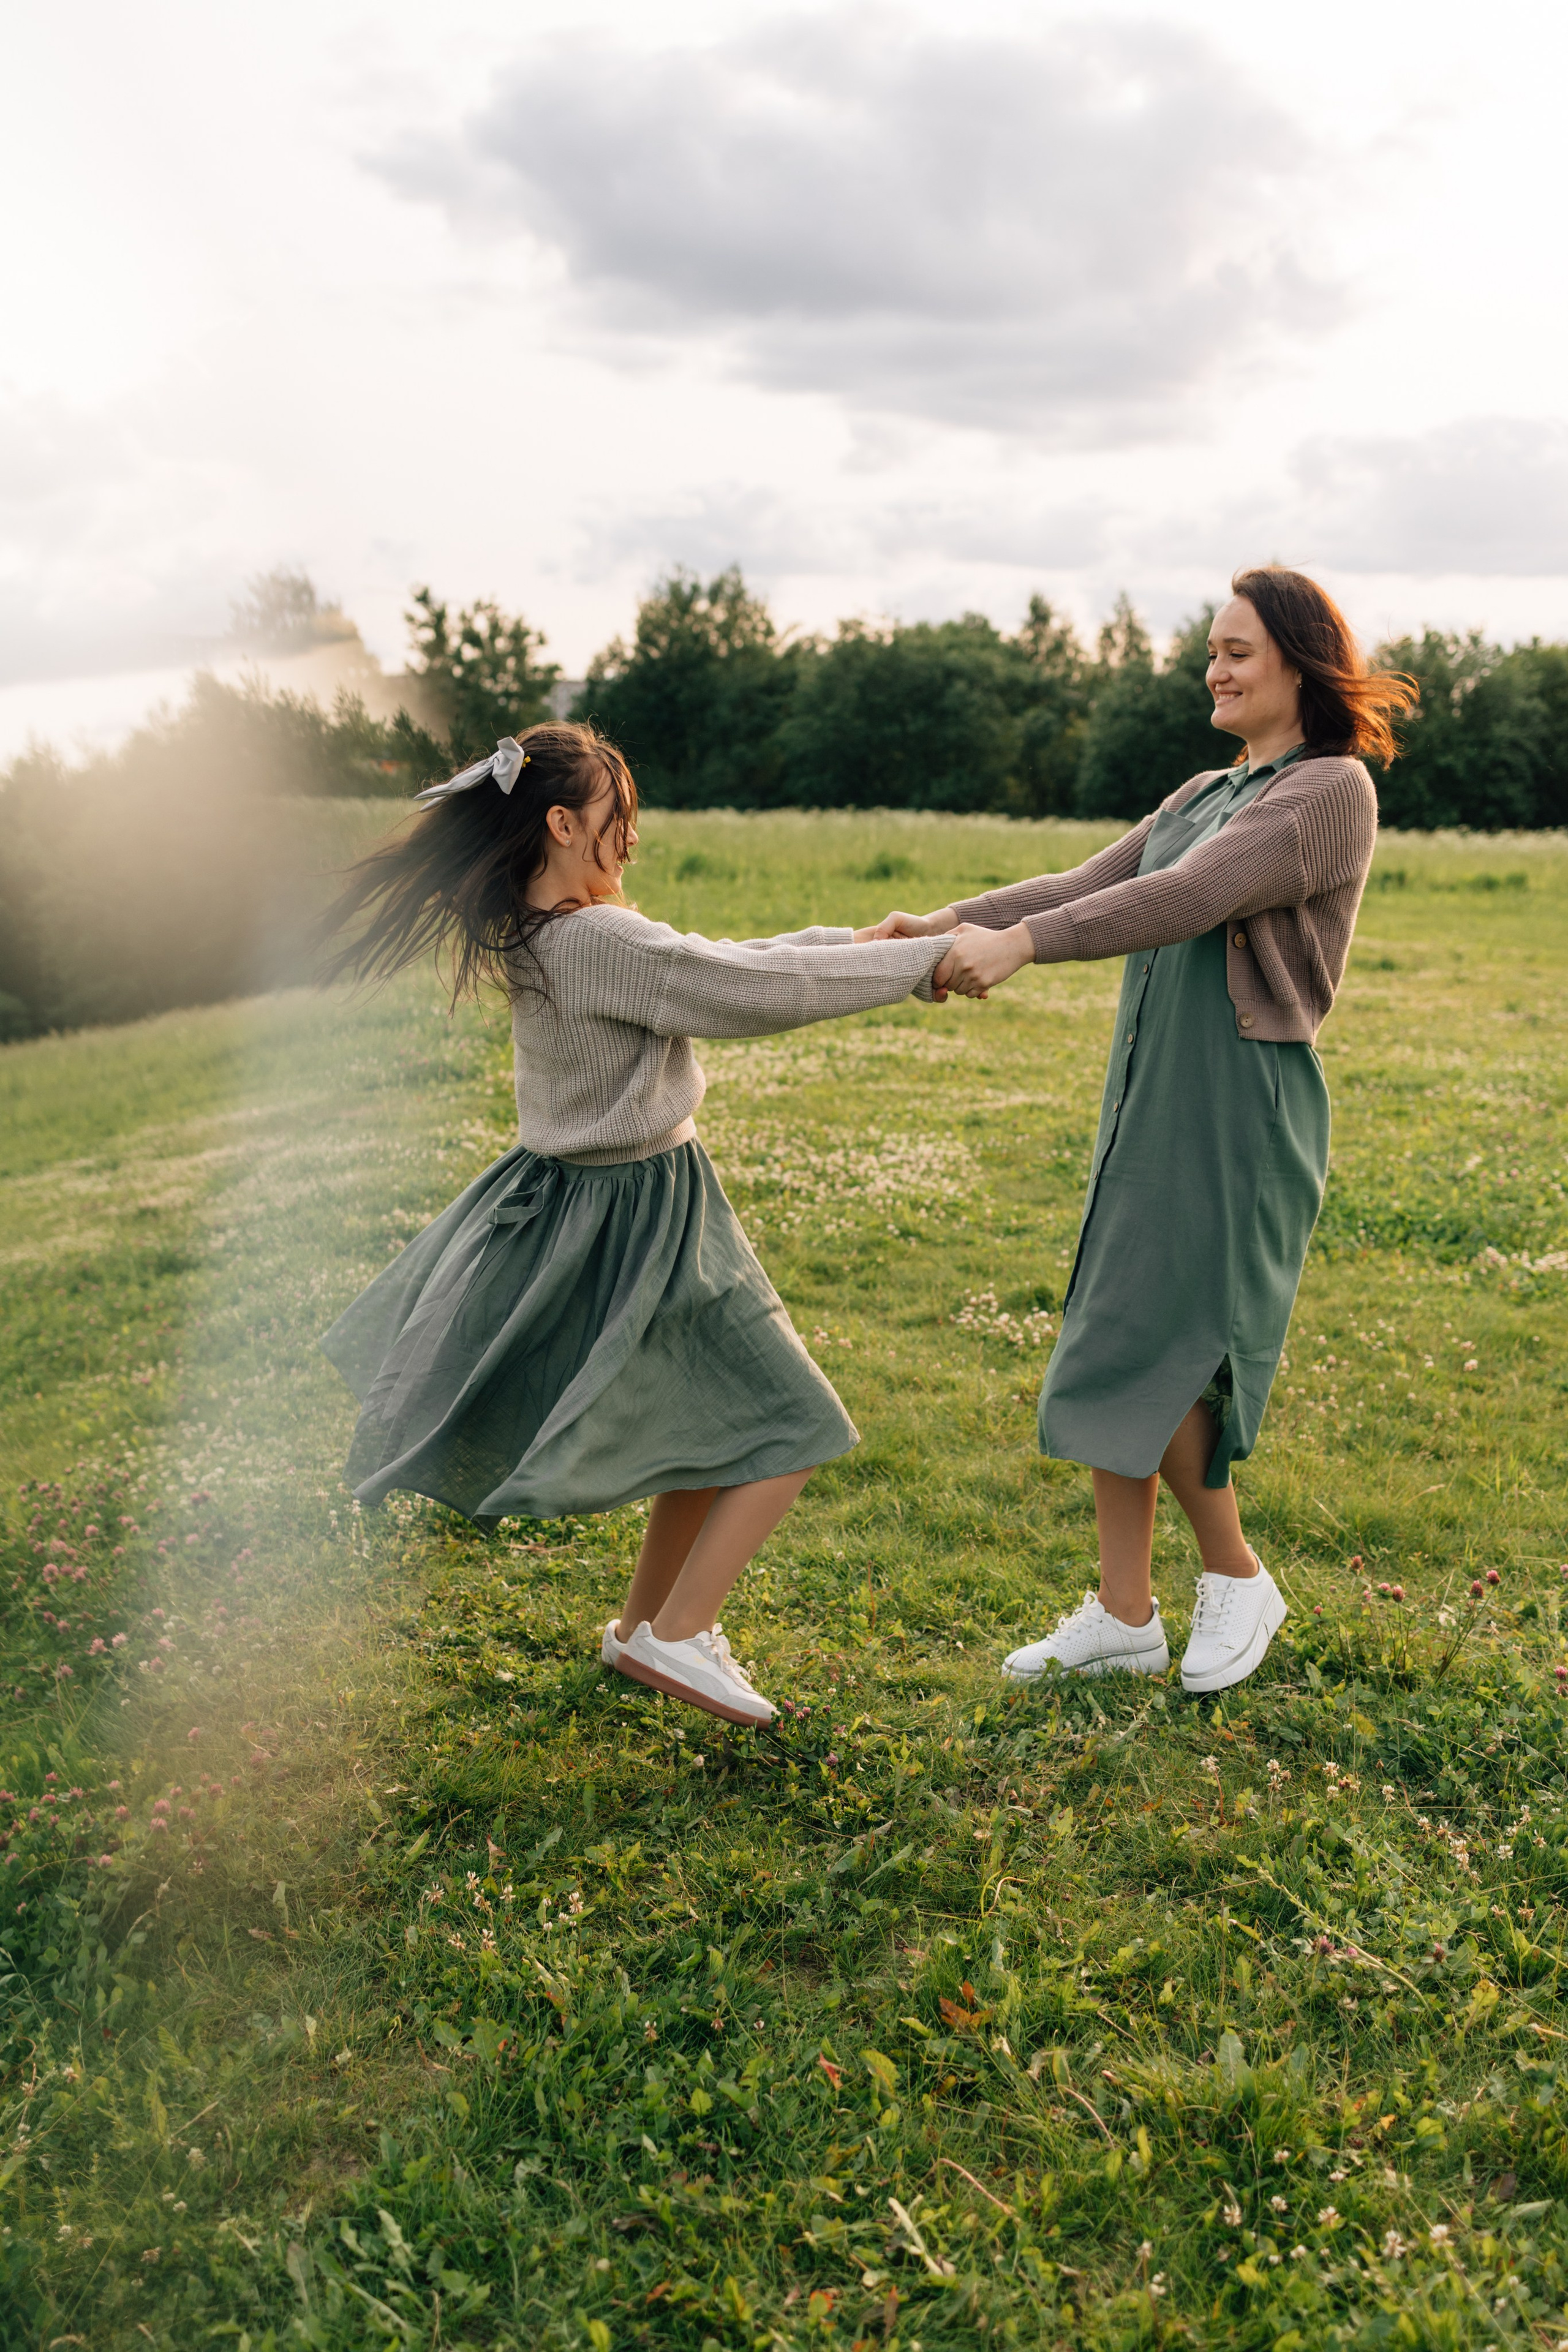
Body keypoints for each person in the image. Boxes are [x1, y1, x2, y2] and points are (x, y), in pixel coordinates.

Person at [314, 722, 952, 1729]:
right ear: (562, 823)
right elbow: (740, 988)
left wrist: (863, 945)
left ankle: (643, 1626)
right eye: (618, 822)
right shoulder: (597, 941)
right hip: (643, 1209)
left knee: (708, 1434)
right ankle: (677, 1633)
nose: (631, 842)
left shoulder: (542, 934)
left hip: (618, 1202)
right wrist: (929, 960)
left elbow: (711, 962)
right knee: (791, 1428)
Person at [873, 567, 1417, 1694]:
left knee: (1175, 1351)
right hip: (1153, 1085)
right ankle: (1125, 1615)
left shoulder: (1326, 793)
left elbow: (1187, 899)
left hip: (1240, 1098)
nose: (1212, 669)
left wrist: (1023, 951)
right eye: (1211, 651)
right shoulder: (1204, 788)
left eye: (1237, 651)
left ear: (1302, 666)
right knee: (1112, 1331)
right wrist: (946, 924)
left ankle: (1236, 1575)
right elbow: (1091, 879)